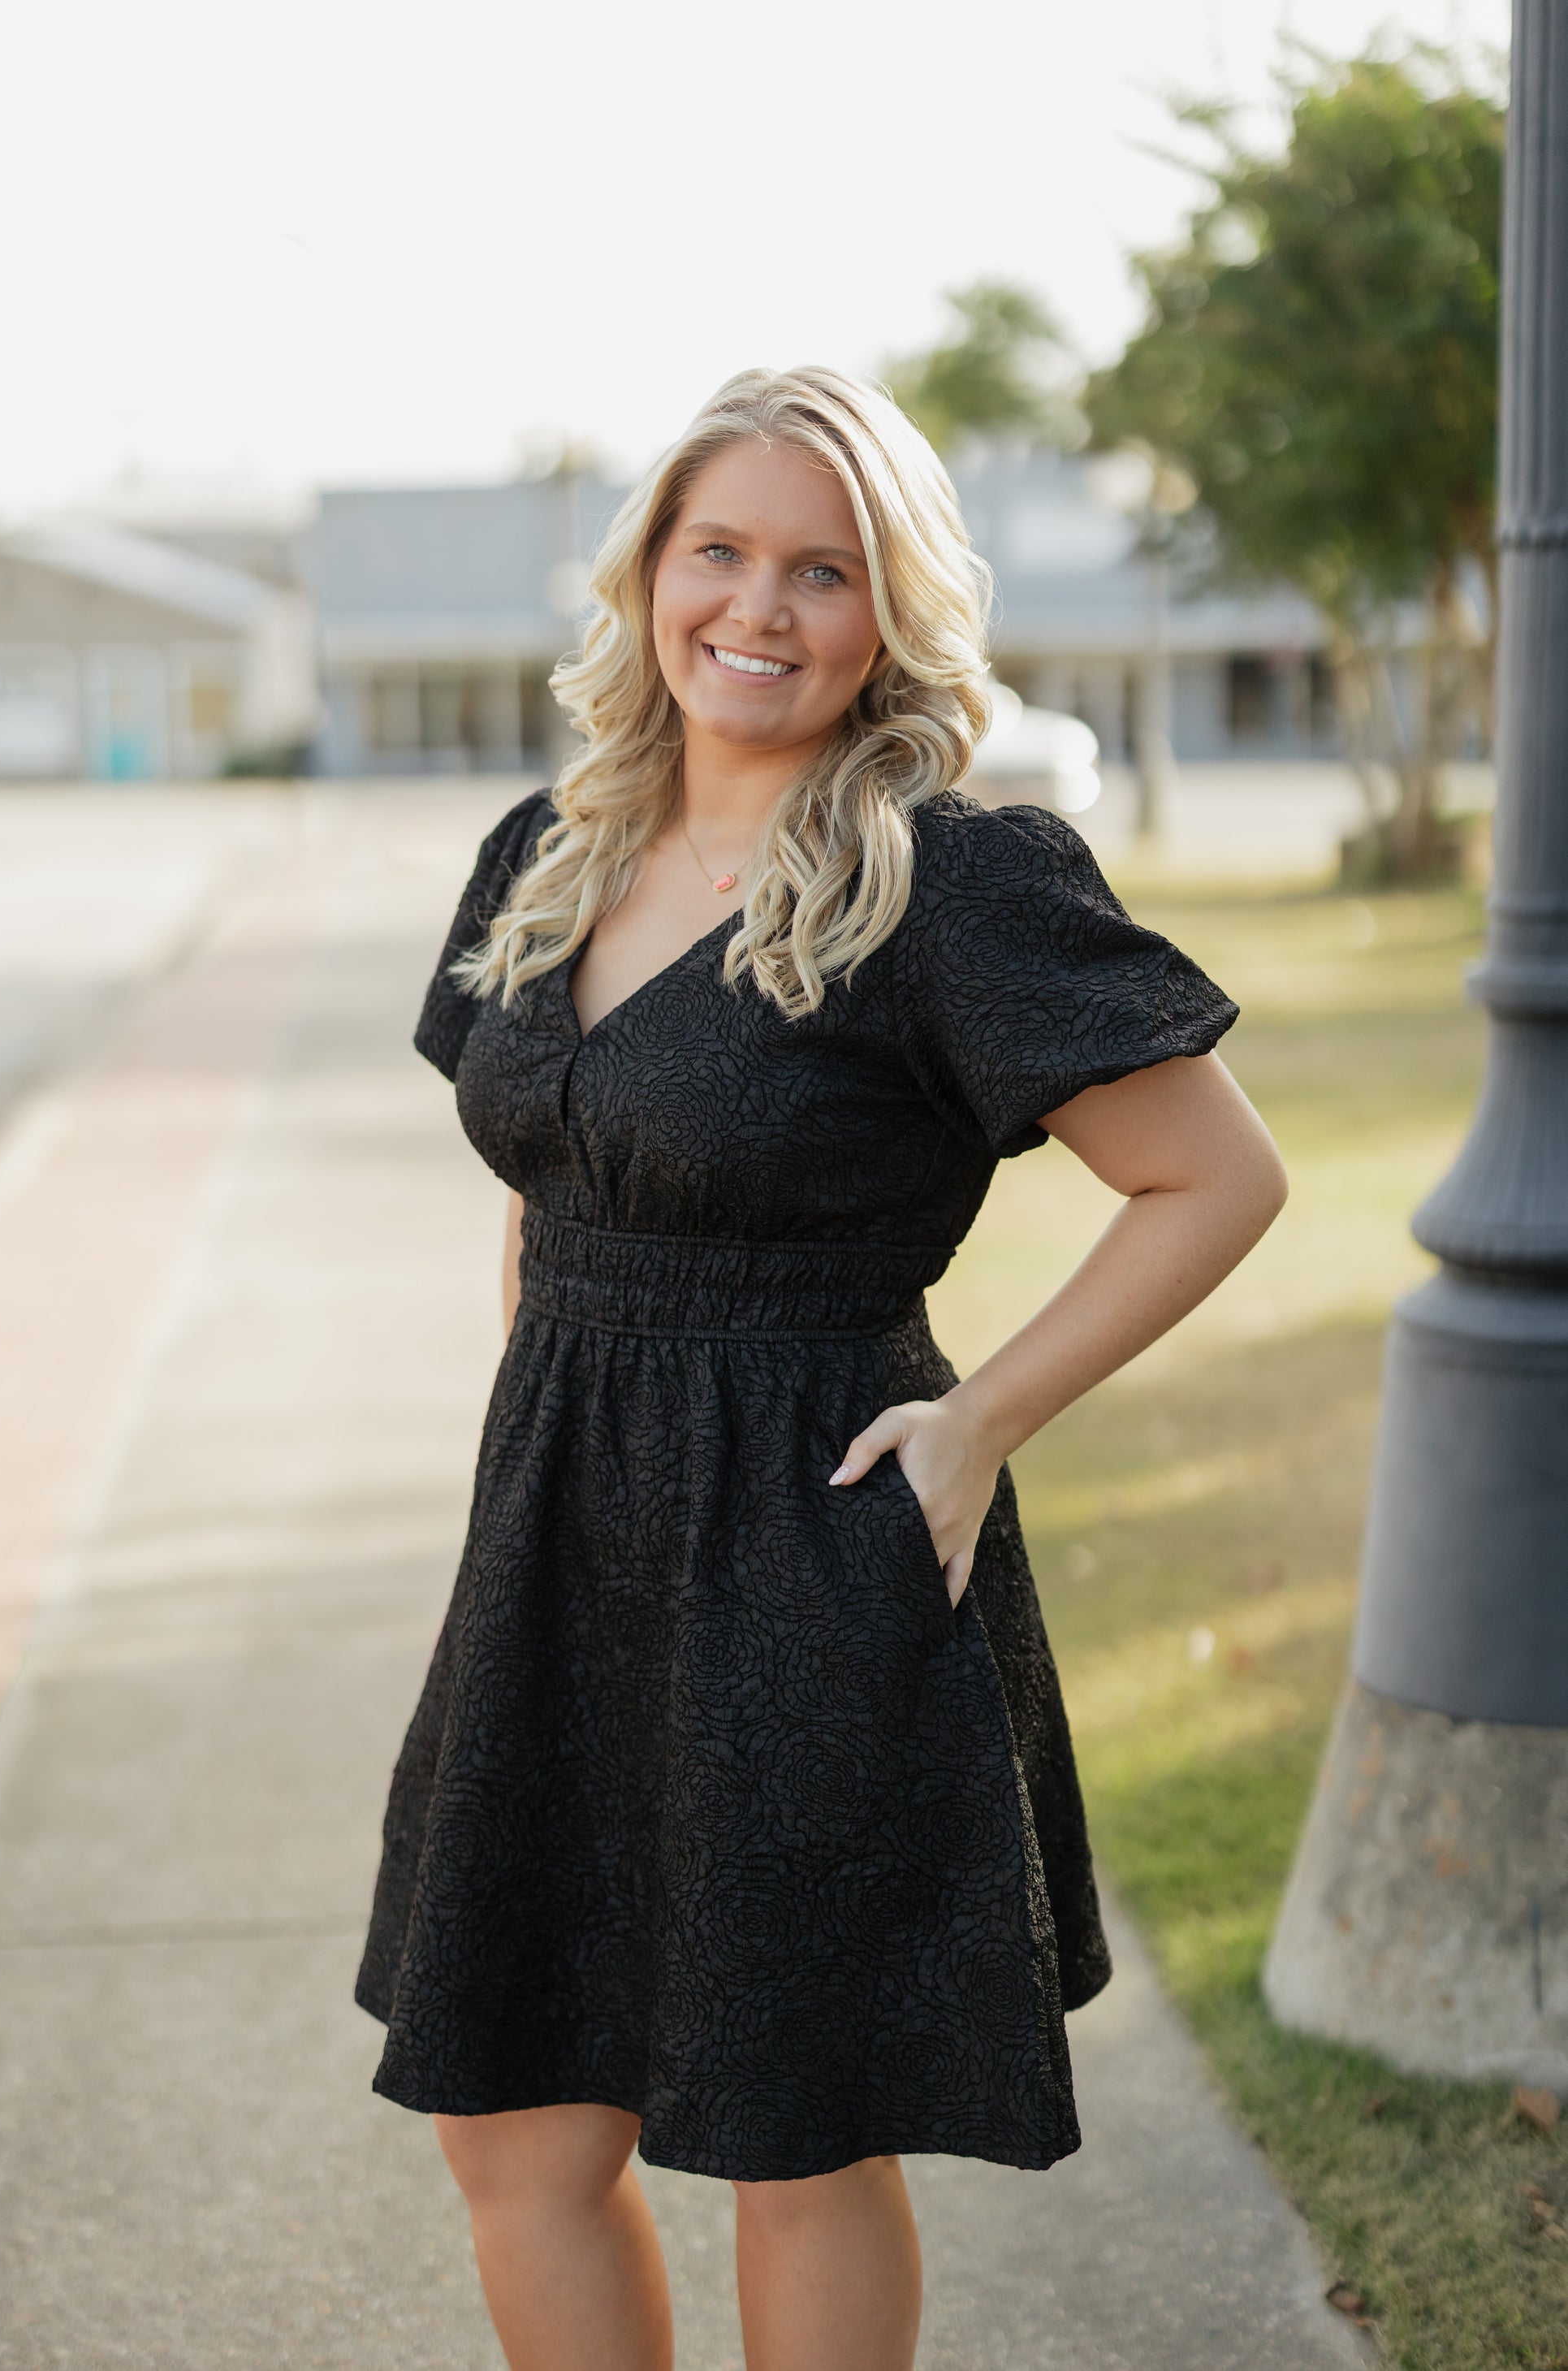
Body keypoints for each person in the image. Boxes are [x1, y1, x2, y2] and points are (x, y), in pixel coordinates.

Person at [356, 365, 1286, 2371]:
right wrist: (551, 1435)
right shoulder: (547, 844)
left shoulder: (953, 879)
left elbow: (1216, 1175)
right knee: (514, 2120)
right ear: (649, 574)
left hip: (812, 1540)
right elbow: (547, 1176)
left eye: (822, 570)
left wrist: (975, 1427)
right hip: (560, 1550)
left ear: (892, 614)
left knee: (795, 2136)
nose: (756, 610)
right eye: (719, 552)